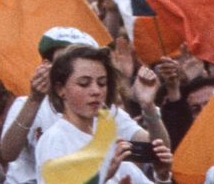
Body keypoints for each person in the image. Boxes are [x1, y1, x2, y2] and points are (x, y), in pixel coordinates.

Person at [34, 46, 172, 184]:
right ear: (60, 89)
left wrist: (162, 176)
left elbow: (159, 147)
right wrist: (101, 176)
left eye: (102, 83)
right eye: (84, 83)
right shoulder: (55, 140)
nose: (96, 91)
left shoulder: (110, 139)